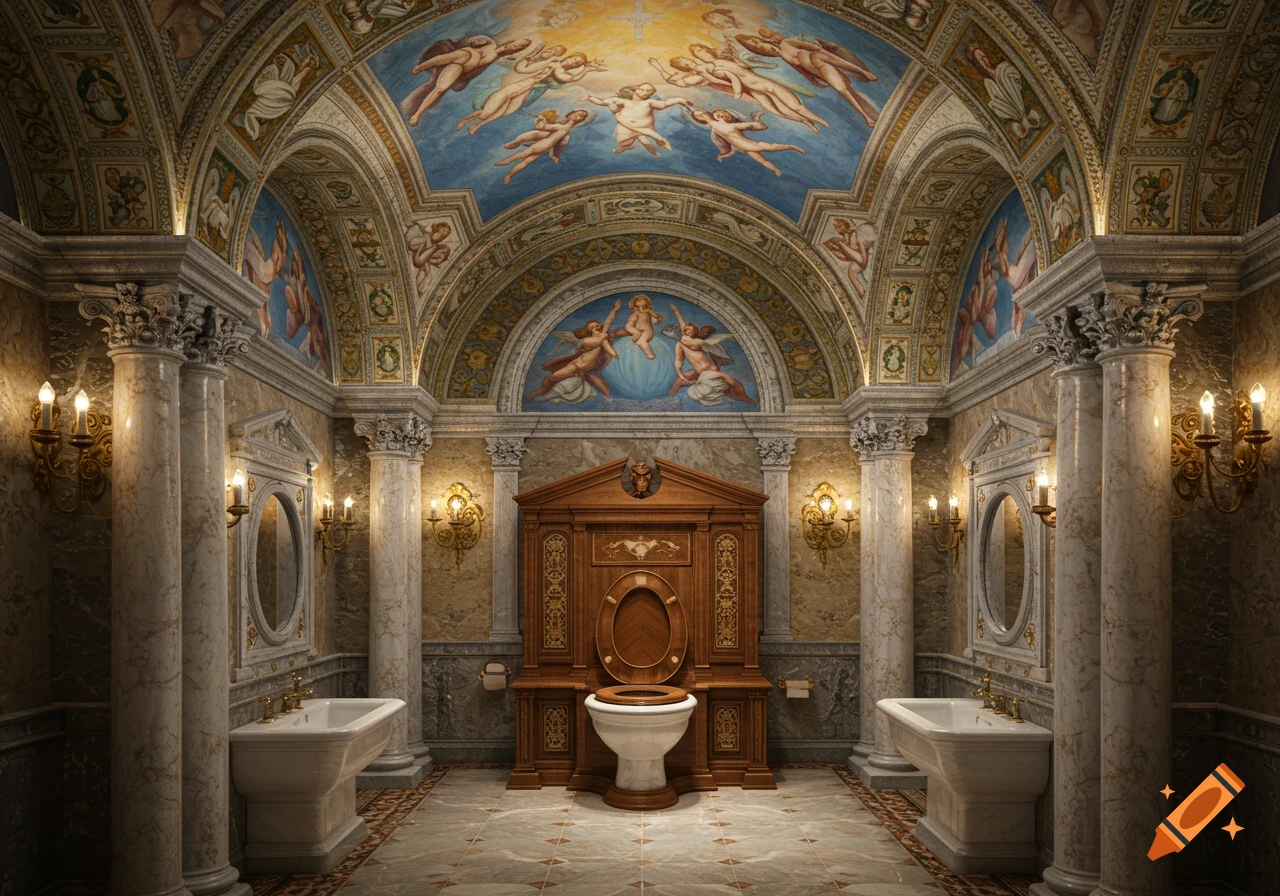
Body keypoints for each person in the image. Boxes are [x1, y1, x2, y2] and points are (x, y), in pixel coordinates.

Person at [736, 30, 880, 128]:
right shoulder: (784, 59)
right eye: (761, 49)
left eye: (761, 44)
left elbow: (820, 51)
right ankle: (867, 116)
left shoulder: (787, 42)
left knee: (842, 87)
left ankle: (863, 77)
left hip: (820, 60)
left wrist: (861, 71)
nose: (765, 48)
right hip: (819, 71)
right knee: (844, 90)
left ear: (766, 41)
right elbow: (804, 70)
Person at [455, 46, 604, 135]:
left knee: (505, 112)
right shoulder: (553, 63)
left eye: (576, 63)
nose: (573, 62)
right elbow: (524, 69)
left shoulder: (563, 71)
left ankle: (477, 125)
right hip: (518, 86)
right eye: (574, 59)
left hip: (527, 91)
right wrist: (535, 58)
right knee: (488, 112)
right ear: (570, 57)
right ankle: (466, 120)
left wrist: (587, 69)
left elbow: (570, 79)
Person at [689, 42, 828, 133]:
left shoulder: (725, 59)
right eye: (698, 53)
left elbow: (744, 67)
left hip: (762, 83)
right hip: (755, 91)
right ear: (698, 57)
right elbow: (724, 80)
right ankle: (806, 121)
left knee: (795, 106)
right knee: (778, 111)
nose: (702, 52)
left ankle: (820, 120)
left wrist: (734, 55)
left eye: (702, 49)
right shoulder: (708, 70)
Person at [401, 35, 532, 126]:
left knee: (440, 89)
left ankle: (417, 115)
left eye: (519, 48)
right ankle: (421, 67)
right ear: (512, 41)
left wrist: (466, 78)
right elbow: (471, 41)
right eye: (517, 44)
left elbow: (478, 70)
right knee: (451, 57)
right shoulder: (490, 43)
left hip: (460, 68)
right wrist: (475, 48)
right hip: (463, 56)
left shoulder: (496, 56)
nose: (516, 47)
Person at [526, 299, 623, 402]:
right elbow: (602, 338)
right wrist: (609, 346)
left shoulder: (601, 337)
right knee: (549, 379)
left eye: (597, 326)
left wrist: (615, 310)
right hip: (574, 367)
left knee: (605, 389)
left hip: (585, 370)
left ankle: (607, 398)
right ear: (589, 332)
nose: (596, 328)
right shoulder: (587, 340)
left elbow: (607, 323)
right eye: (593, 327)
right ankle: (538, 392)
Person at [666, 304, 756, 406]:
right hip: (699, 372)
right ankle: (669, 401)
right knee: (678, 382)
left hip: (709, 371)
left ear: (694, 332)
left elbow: (685, 336)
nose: (685, 330)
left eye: (689, 329)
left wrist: (677, 313)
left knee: (728, 381)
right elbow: (679, 361)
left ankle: (744, 397)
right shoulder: (680, 344)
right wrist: (681, 374)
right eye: (685, 329)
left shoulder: (697, 342)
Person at [690, 108, 805, 177]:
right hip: (743, 148)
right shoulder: (715, 131)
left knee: (770, 147)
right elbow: (728, 146)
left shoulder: (727, 125)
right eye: (698, 116)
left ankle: (792, 146)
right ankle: (776, 170)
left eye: (701, 113)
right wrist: (723, 155)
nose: (701, 114)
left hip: (747, 144)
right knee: (761, 160)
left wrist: (757, 121)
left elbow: (751, 126)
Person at [580, 84, 691, 156]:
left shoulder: (648, 102)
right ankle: (628, 146)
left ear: (651, 94)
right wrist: (590, 98)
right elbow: (602, 102)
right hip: (626, 127)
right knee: (624, 141)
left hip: (644, 127)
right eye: (642, 89)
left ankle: (656, 143)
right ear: (635, 90)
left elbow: (664, 104)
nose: (645, 92)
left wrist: (679, 100)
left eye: (648, 91)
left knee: (644, 138)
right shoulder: (623, 101)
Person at [495, 108, 589, 183]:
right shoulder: (565, 128)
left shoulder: (562, 127)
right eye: (576, 113)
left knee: (520, 155)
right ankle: (510, 175)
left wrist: (540, 119)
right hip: (545, 147)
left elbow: (540, 127)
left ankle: (505, 162)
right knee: (526, 161)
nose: (576, 115)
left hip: (542, 145)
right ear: (571, 113)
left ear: (580, 120)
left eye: (580, 115)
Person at [623, 294, 664, 359]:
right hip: (639, 332)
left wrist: (656, 316)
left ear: (646, 306)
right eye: (638, 306)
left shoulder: (648, 312)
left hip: (646, 332)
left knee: (641, 341)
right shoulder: (636, 314)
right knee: (636, 340)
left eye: (643, 306)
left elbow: (656, 320)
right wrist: (635, 331)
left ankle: (650, 354)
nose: (641, 308)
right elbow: (629, 324)